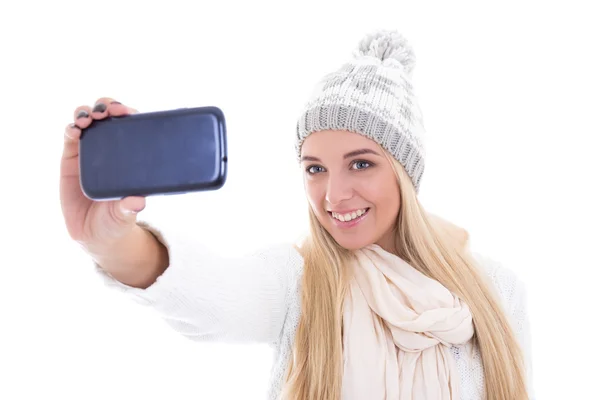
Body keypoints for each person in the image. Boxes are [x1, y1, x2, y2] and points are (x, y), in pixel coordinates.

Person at [60, 30, 534, 400]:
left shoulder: (496, 290)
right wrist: (108, 239)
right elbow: (212, 296)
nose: (333, 194)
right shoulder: (299, 280)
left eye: (361, 163)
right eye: (315, 168)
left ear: (406, 173)